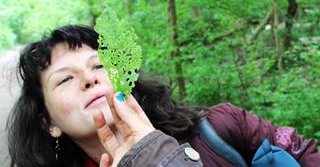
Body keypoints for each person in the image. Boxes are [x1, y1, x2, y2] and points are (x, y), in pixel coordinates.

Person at [6, 25, 320, 167]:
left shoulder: (224, 126)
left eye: (99, 65)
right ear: (49, 123)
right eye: (64, 80)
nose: (89, 79)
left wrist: (158, 159)